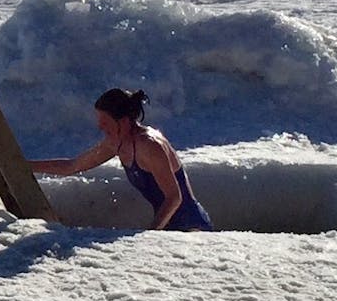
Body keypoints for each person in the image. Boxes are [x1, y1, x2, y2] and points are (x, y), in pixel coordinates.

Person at [29, 88, 213, 232]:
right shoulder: (115, 143)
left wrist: (152, 234)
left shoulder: (149, 145)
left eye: (105, 122)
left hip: (192, 227)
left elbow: (174, 197)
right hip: (167, 228)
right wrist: (25, 166)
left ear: (124, 121)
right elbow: (72, 166)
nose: (99, 126)